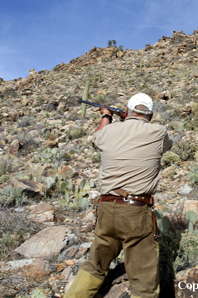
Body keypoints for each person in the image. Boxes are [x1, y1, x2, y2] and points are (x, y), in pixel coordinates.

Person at [64, 93, 173, 298]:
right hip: (136, 211)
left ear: (128, 110)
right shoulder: (159, 132)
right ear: (150, 115)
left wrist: (106, 117)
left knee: (95, 265)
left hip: (106, 209)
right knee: (144, 283)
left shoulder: (110, 130)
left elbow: (96, 139)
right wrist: (131, 121)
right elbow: (167, 145)